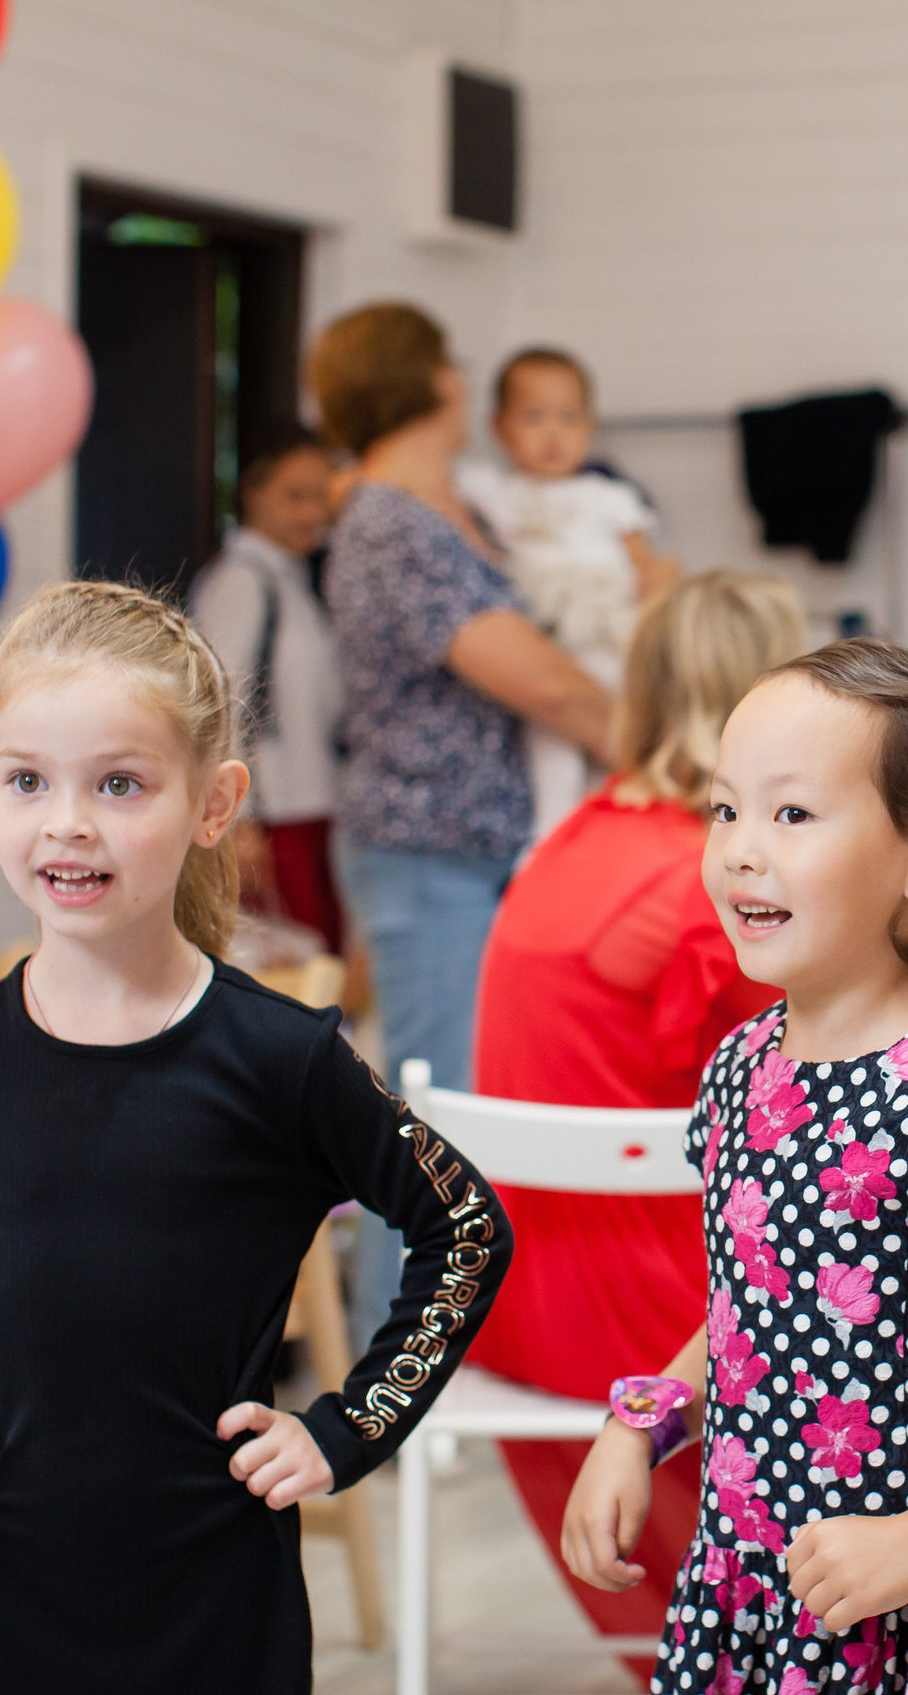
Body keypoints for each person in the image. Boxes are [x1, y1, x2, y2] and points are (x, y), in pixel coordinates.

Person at [0, 582, 514, 1693]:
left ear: (214, 803)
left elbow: (465, 1223)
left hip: (217, 1597)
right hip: (2, 1585)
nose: (68, 820)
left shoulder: (283, 1058)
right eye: (29, 780)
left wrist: (347, 1424)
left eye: (119, 783)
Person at [468, 571, 908, 1655]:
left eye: (792, 813)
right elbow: (755, 1306)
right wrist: (639, 1420)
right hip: (752, 1582)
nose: (742, 845)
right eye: (726, 808)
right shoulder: (743, 1066)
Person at [311, 301, 612, 1343]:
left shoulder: (443, 502)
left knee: (468, 1104)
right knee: (431, 1118)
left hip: (477, 849)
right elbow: (529, 672)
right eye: (448, 360)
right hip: (425, 849)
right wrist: (651, 740)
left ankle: (468, 1343)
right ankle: (397, 1376)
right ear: (429, 383)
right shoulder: (393, 518)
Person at [459, 345, 681, 837]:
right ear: (499, 428)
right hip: (545, 640)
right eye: (534, 418)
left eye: (568, 418)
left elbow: (646, 567)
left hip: (605, 633)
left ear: (589, 427)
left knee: (620, 738)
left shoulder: (609, 498)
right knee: (550, 747)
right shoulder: (491, 490)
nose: (553, 433)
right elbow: (420, 490)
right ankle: (549, 841)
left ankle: (617, 832)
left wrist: (656, 605)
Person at [187, 422, 347, 954]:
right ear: (253, 494)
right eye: (295, 497)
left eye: (322, 498)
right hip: (273, 814)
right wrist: (237, 817)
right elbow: (218, 698)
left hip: (309, 804)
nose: (312, 514)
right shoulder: (243, 581)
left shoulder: (292, 579)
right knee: (291, 964)